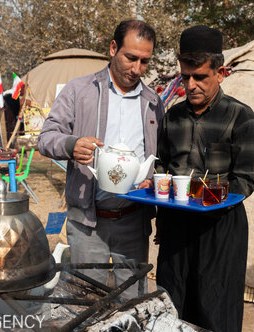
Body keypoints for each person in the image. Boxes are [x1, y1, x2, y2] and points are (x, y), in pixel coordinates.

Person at [39, 20, 165, 298]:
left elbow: (159, 155)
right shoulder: (79, 90)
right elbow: (46, 137)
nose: (136, 69)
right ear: (113, 48)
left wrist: (151, 180)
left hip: (133, 221)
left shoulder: (152, 101)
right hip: (87, 223)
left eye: (144, 62)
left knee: (132, 300)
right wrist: (71, 145)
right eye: (130, 58)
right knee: (85, 300)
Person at [155, 25, 254, 332]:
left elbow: (245, 180)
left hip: (220, 228)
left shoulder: (241, 118)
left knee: (215, 308)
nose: (190, 85)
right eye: (185, 77)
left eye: (200, 77)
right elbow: (161, 163)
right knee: (172, 303)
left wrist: (203, 194)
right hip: (177, 227)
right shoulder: (172, 118)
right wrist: (162, 210)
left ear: (220, 73)